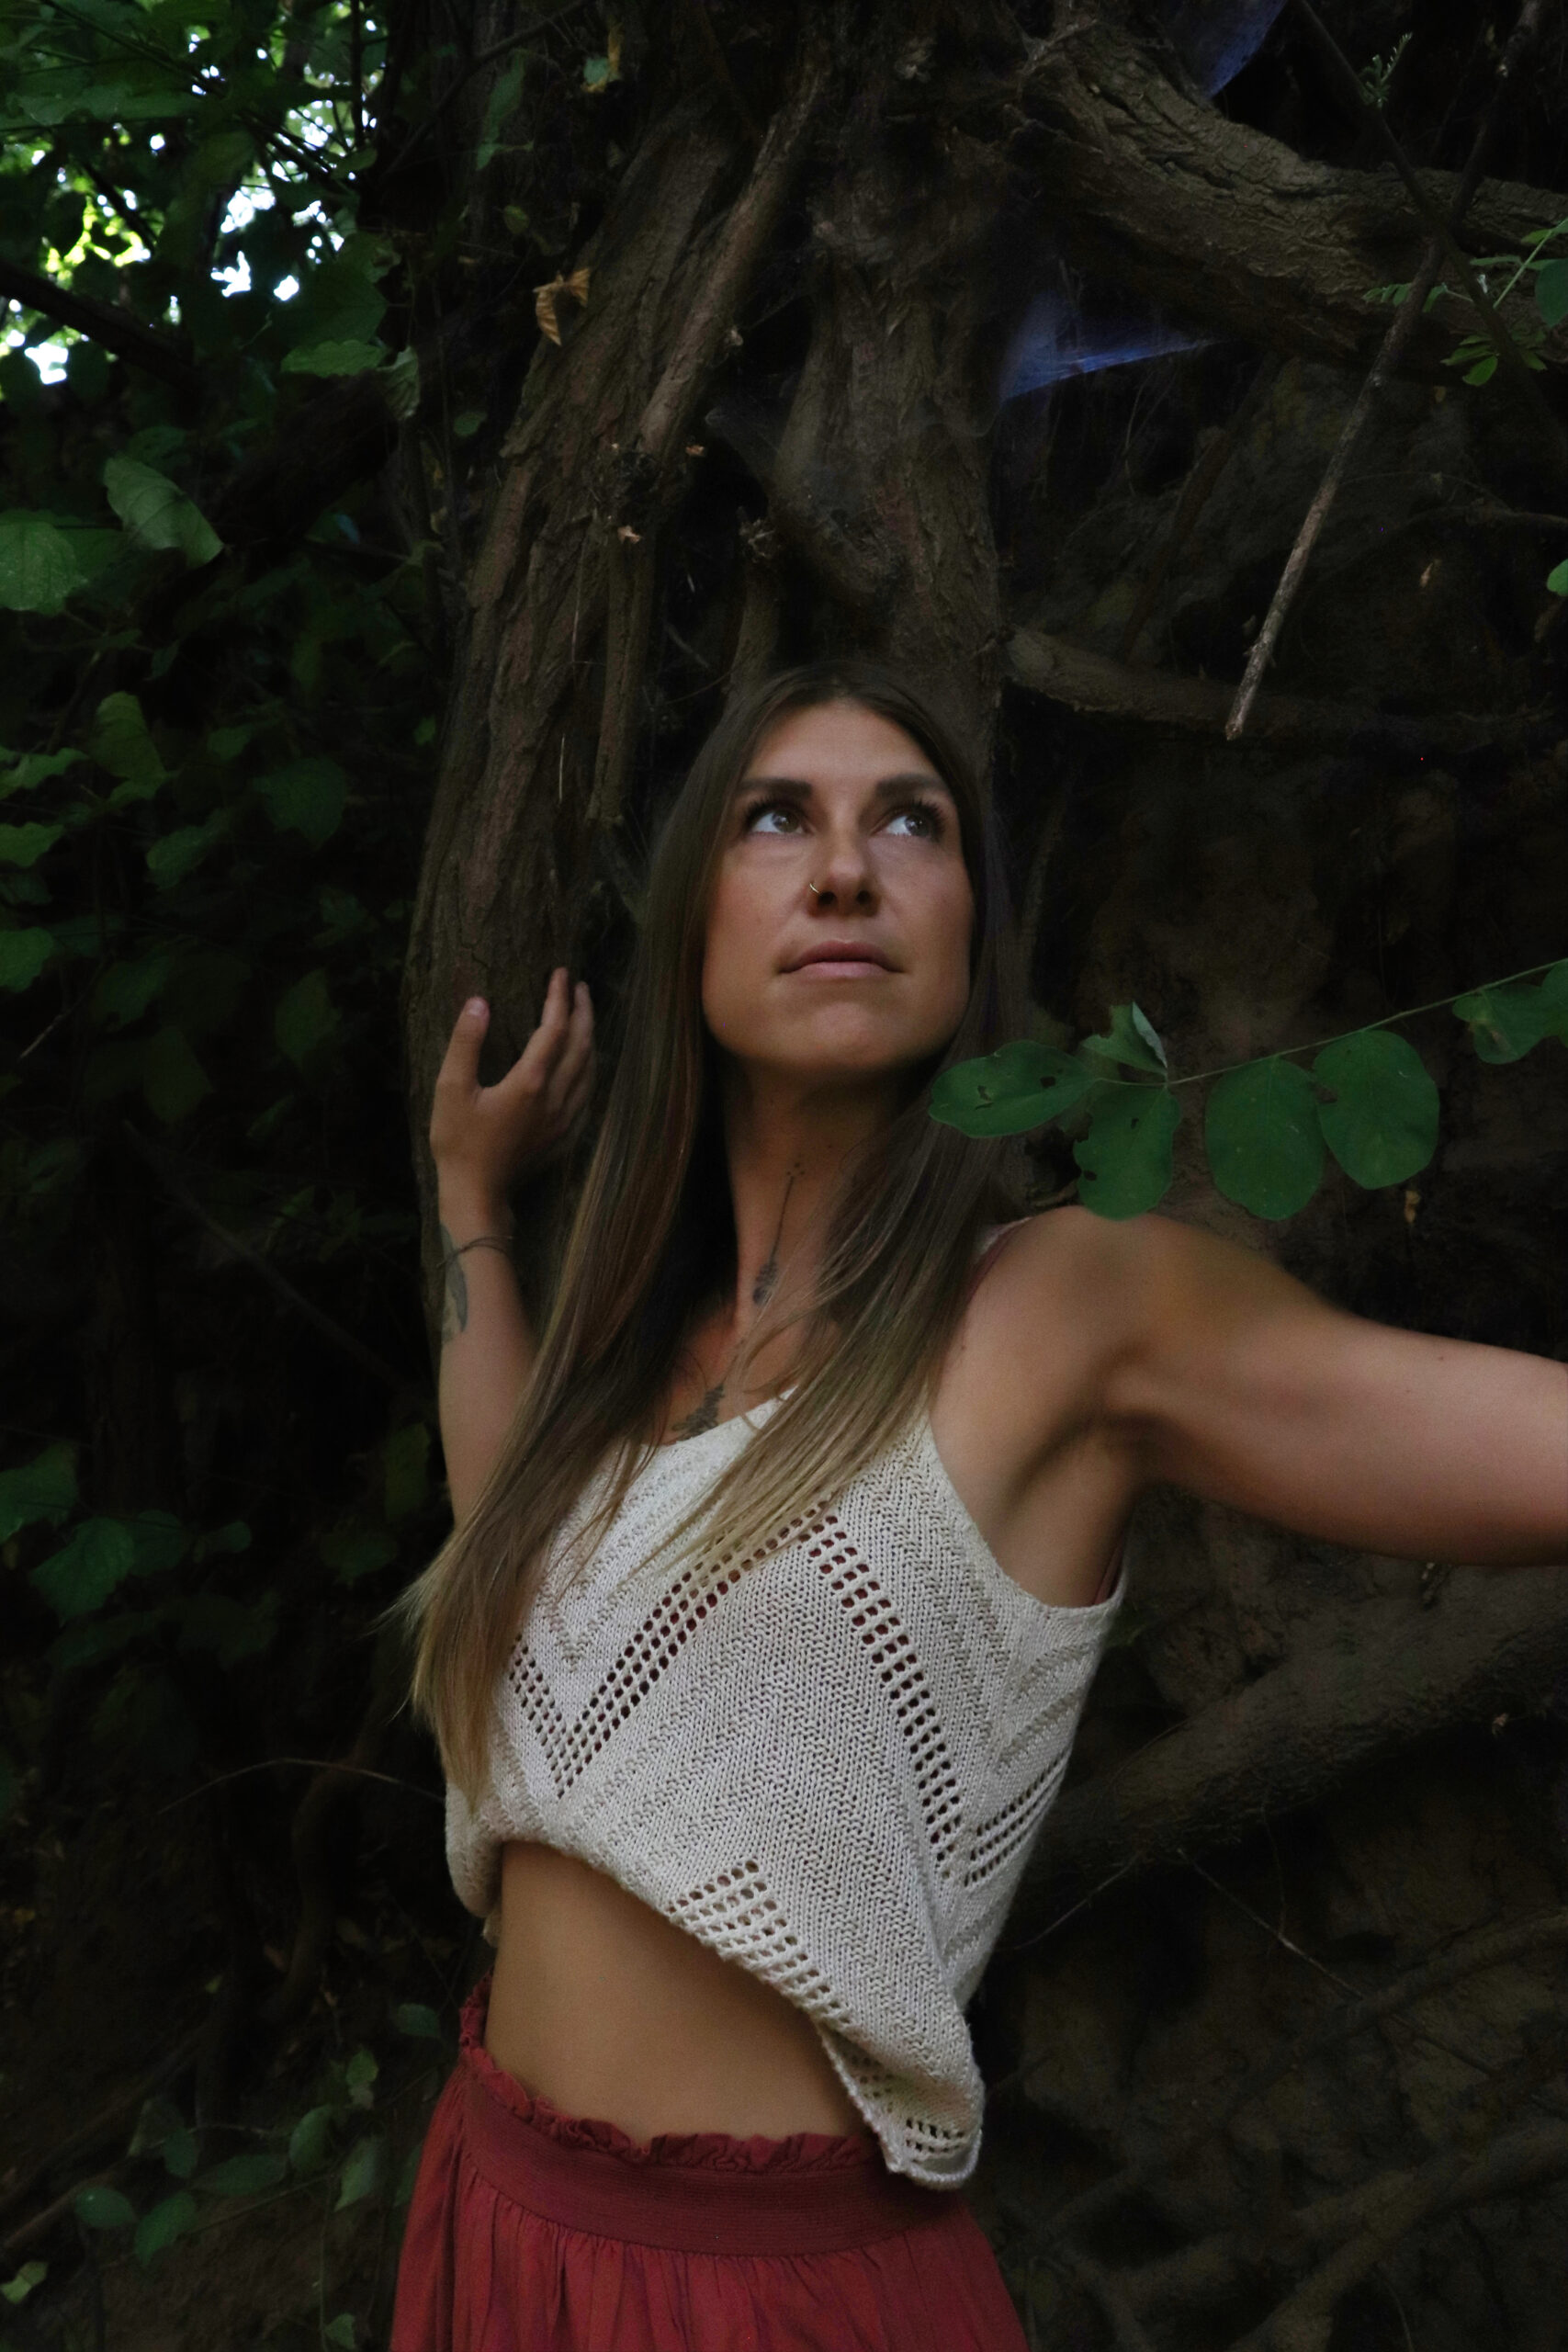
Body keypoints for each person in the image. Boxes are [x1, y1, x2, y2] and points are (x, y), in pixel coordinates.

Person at [390, 661, 1566, 2351]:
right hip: (500, 2216)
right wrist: (470, 1203)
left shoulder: (1069, 1310)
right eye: (776, 819)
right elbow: (504, 1547)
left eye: (910, 825)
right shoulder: (617, 1358)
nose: (844, 870)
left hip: (777, 2296)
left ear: (969, 936)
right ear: (691, 924)